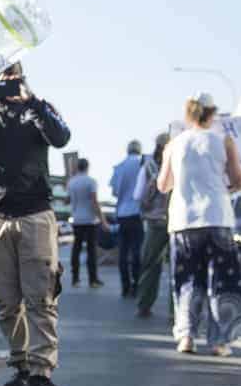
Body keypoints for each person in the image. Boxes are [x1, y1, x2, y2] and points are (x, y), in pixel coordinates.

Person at [0, 65, 71, 386]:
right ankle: (22, 366)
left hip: (34, 215)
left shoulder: (37, 108)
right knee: (5, 302)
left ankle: (41, 372)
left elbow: (62, 136)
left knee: (41, 298)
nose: (5, 82)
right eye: (0, 75)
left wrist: (34, 101)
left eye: (12, 75)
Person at [157, 94, 241, 356]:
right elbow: (237, 180)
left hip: (183, 221)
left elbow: (163, 185)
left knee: (186, 280)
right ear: (212, 114)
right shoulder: (223, 141)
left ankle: (186, 337)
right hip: (217, 217)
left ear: (189, 114)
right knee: (223, 281)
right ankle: (219, 341)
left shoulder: (174, 144)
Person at [134, 131, 173, 318]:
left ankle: (144, 304)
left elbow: (138, 196)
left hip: (155, 222)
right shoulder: (179, 164)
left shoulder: (148, 167)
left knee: (150, 265)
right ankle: (176, 312)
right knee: (178, 267)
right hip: (177, 221)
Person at [111, 141, 145, 297]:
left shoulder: (119, 167)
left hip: (122, 214)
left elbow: (115, 192)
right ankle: (136, 285)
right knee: (136, 251)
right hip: (138, 214)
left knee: (123, 253)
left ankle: (125, 286)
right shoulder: (142, 164)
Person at [67, 158, 105, 288]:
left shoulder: (71, 182)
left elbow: (69, 200)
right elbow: (94, 201)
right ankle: (93, 280)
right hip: (90, 219)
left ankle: (75, 279)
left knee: (76, 249)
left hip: (76, 219)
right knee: (91, 250)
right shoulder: (91, 181)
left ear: (78, 167)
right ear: (88, 167)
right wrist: (103, 220)